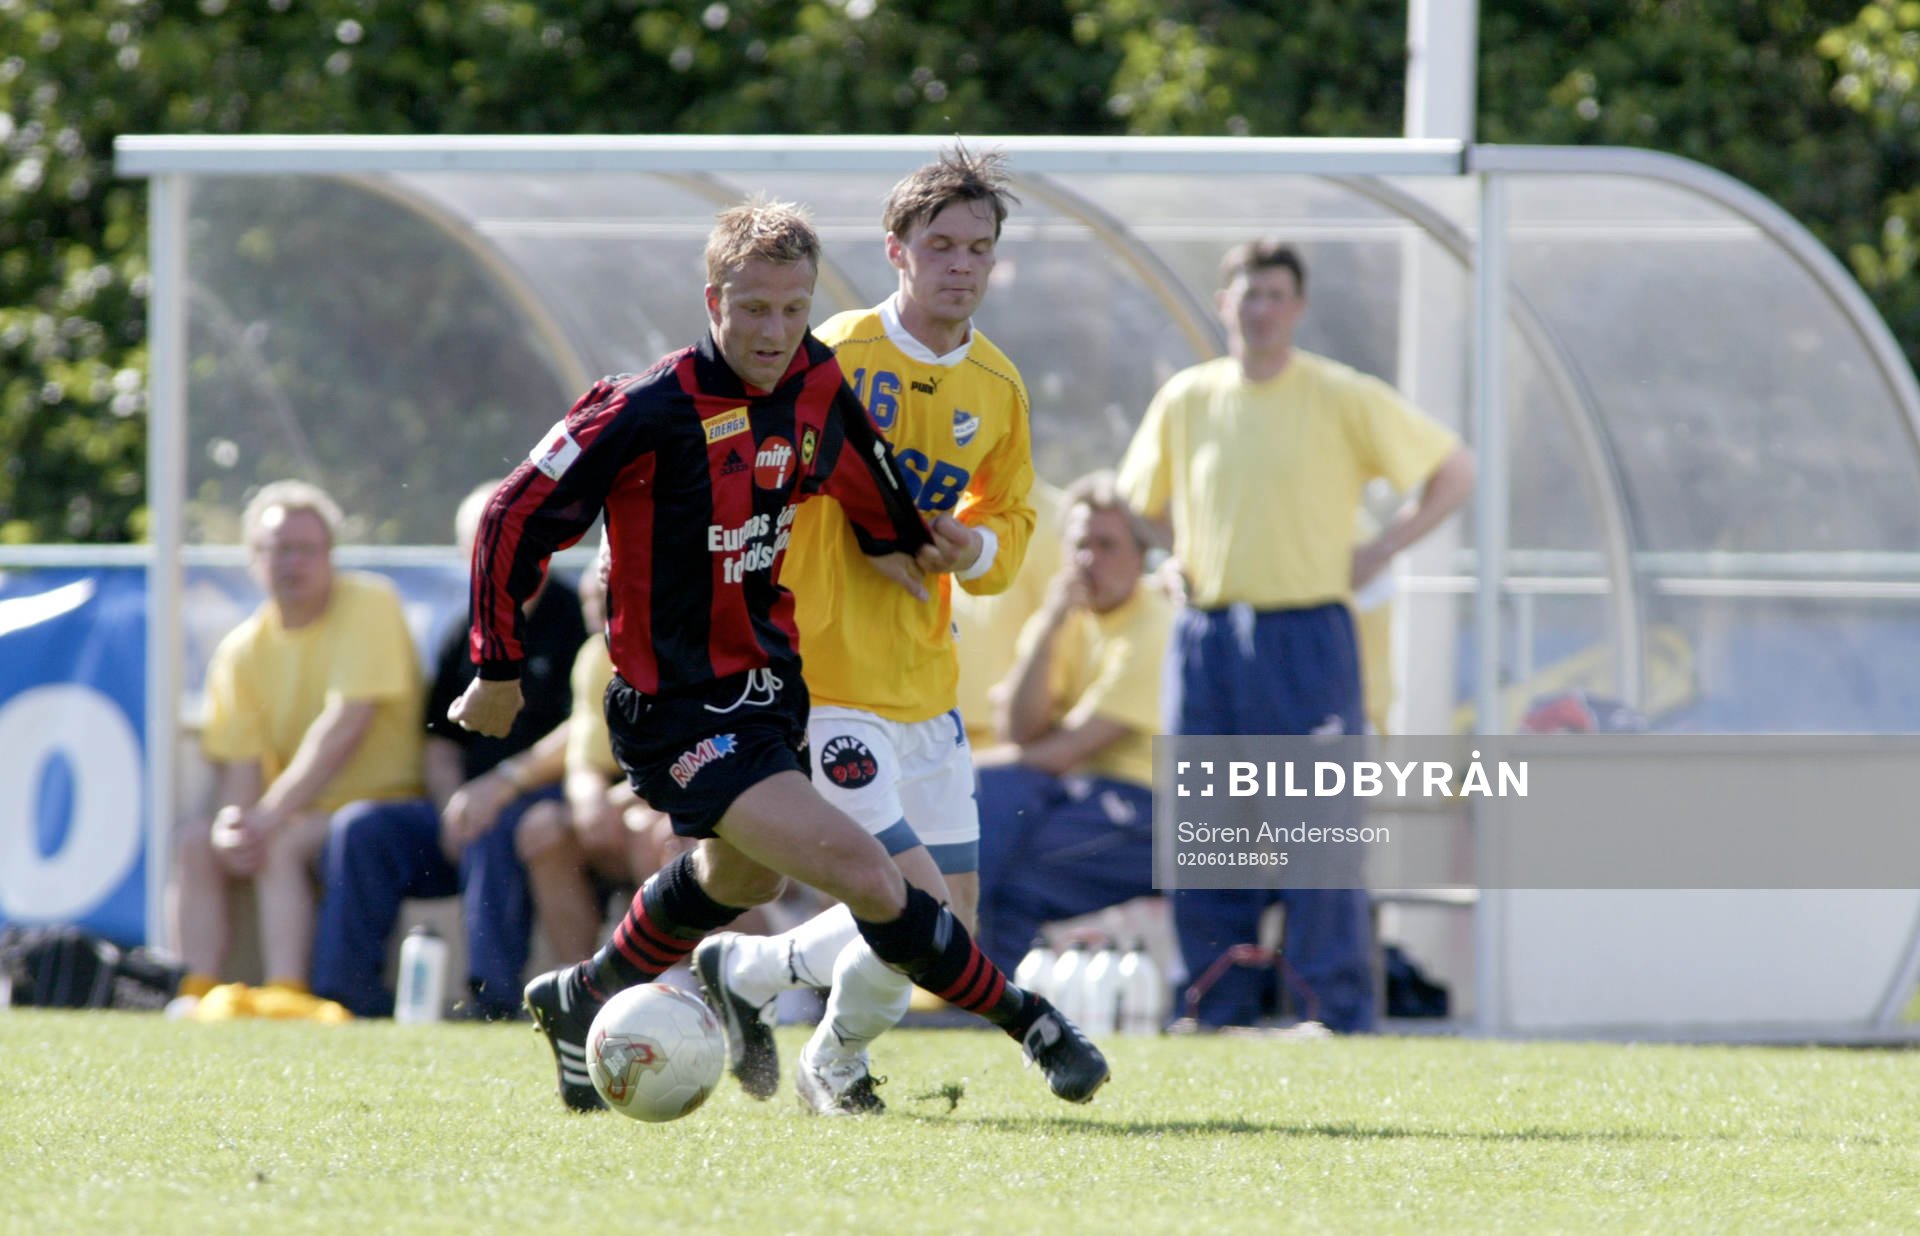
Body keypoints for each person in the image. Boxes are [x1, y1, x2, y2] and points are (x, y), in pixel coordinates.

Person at [451, 196, 1105, 1114]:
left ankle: (582, 994)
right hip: (676, 706)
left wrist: (909, 544)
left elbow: (868, 478)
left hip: (769, 693)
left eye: (793, 308)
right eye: (753, 308)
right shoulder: (643, 408)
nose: (774, 330)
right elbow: (512, 513)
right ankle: (1029, 1019)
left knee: (741, 876)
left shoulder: (813, 381)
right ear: (712, 297)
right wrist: (497, 664)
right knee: (871, 877)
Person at [691, 146, 1040, 1114]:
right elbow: (759, 475)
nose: (960, 264)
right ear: (898, 251)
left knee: (950, 930)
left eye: (978, 247)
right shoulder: (832, 354)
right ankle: (834, 1069)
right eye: (941, 245)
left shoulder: (1000, 388)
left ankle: (756, 973)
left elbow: (1013, 523)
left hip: (924, 681)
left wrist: (967, 549)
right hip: (824, 673)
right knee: (911, 906)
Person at [1115, 239, 1475, 1033]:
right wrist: (1174, 556)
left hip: (1306, 634)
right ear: (1224, 302)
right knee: (1208, 828)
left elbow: (1454, 471)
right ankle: (1215, 1005)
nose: (1262, 308)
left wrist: (1381, 547)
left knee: (1316, 830)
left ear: (1298, 307)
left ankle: (1332, 1011)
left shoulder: (1340, 395)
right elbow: (1137, 498)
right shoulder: (1187, 397)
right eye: (1249, 293)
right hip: (1207, 637)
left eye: (1276, 294)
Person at [308, 481, 587, 1019]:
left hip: (542, 804)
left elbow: (591, 723)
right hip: (466, 811)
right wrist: (450, 802)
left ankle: (493, 1000)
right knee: (361, 829)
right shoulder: (466, 630)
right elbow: (439, 741)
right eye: (485, 542)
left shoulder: (575, 618)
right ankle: (345, 996)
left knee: (492, 825)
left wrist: (499, 786)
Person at [170, 480, 425, 1009]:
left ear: (330, 555)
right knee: (198, 844)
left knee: (281, 845)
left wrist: (266, 817)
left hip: (385, 805)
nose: (291, 562)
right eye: (276, 549)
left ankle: (288, 993)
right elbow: (241, 764)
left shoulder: (368, 603)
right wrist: (237, 823)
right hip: (291, 811)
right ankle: (196, 994)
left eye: (305, 549)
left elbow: (343, 726)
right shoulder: (241, 650)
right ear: (252, 559)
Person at [971, 471, 1174, 975]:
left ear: (1139, 556)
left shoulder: (1156, 624)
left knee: (1010, 873)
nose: (1090, 560)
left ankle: (980, 997)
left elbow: (1063, 751)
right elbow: (1016, 729)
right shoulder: (1065, 615)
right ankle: (978, 995)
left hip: (1156, 810)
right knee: (996, 800)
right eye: (1080, 545)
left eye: (1107, 546)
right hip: (1082, 795)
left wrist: (976, 765)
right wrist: (1052, 625)